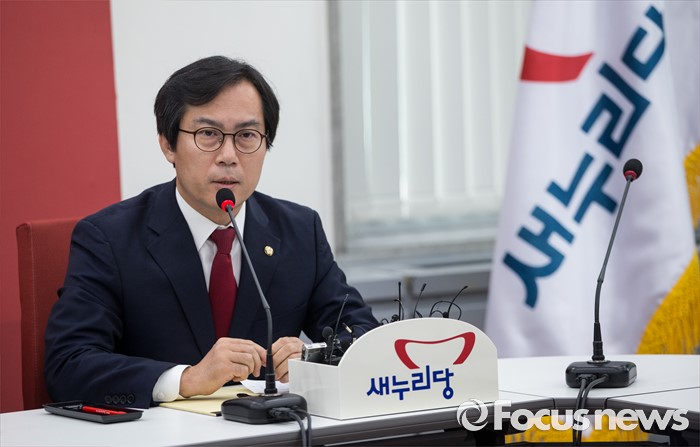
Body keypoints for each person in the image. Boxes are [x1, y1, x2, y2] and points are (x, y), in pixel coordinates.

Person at [44, 56, 379, 409]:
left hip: (272, 430)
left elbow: (364, 336)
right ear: (168, 144)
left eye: (247, 136)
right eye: (208, 134)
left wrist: (313, 356)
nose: (228, 156)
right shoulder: (109, 238)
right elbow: (67, 365)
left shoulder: (299, 231)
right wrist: (186, 379)